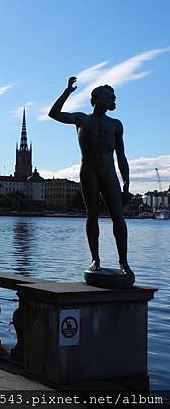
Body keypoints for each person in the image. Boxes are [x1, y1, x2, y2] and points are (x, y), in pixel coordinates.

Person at [49, 77, 132, 276]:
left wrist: (127, 183)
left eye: (111, 95)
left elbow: (121, 156)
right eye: (106, 94)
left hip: (109, 171)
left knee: (118, 217)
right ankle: (95, 258)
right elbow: (54, 114)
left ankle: (123, 261)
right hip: (89, 171)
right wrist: (67, 91)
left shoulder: (116, 125)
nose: (109, 97)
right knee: (92, 215)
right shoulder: (82, 119)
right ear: (95, 98)